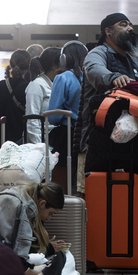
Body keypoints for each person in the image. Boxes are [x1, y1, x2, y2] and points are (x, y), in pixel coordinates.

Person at [79, 13, 138, 177]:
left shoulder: (132, 61)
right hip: (97, 140)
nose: (130, 28)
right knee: (94, 192)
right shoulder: (98, 53)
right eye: (123, 24)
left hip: (125, 140)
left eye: (130, 24)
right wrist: (113, 77)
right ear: (108, 31)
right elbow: (94, 69)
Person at [0, 182, 68, 275]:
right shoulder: (12, 203)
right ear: (42, 203)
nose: (49, 218)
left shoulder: (24, 204)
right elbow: (8, 249)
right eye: (51, 213)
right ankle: (40, 274)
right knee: (40, 261)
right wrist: (48, 249)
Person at [47, 41, 88, 188]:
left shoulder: (63, 78)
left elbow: (53, 117)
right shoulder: (91, 77)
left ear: (64, 58)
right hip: (87, 135)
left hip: (67, 137)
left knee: (61, 185)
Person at [25, 47, 61, 144]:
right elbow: (32, 119)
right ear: (54, 65)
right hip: (43, 142)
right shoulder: (37, 85)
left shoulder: (56, 83)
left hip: (55, 139)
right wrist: (39, 146)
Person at [0, 49, 31, 144]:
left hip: (2, 136)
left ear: (10, 63)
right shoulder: (28, 87)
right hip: (21, 137)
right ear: (28, 66)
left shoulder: (1, 85)